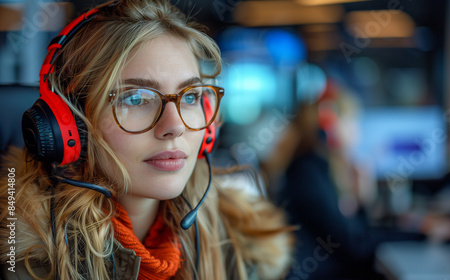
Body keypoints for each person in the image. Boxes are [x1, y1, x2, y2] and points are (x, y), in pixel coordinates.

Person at [0, 1, 293, 279]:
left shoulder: (242, 248)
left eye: (190, 96)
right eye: (136, 98)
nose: (175, 127)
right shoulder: (18, 257)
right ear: (71, 123)